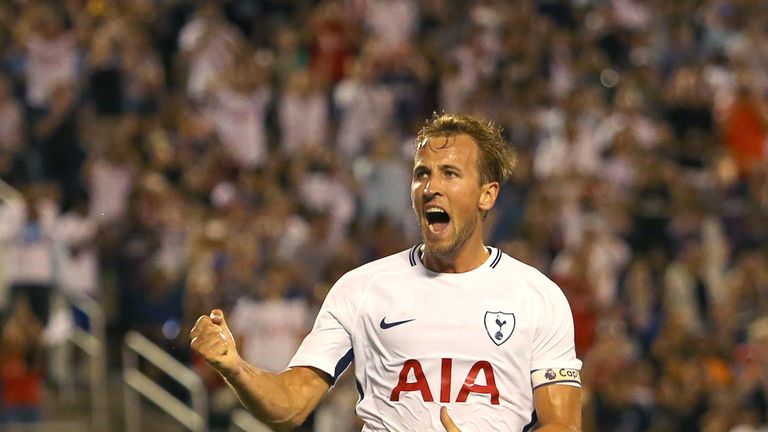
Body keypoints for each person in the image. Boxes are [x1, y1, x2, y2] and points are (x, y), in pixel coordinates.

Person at [191, 113, 583, 431]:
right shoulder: (362, 289)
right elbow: (291, 405)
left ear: (487, 194)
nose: (431, 187)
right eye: (421, 173)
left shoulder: (537, 297)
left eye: (450, 173)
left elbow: (563, 424)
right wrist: (235, 368)